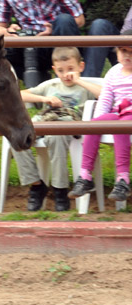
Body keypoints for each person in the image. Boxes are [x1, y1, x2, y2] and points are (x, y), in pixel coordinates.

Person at [13, 47, 102, 212]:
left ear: (80, 67)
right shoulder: (50, 84)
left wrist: (79, 80)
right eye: (60, 71)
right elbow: (19, 94)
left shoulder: (85, 88)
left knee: (56, 136)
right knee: (16, 135)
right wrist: (44, 98)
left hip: (68, 123)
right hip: (45, 119)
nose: (65, 74)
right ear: (54, 70)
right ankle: (36, 186)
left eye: (70, 69)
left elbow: (105, 95)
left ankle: (60, 190)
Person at [69, 30, 132, 203]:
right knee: (94, 125)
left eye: (131, 51)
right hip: (118, 111)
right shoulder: (113, 72)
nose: (127, 55)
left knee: (122, 126)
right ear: (117, 52)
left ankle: (123, 179)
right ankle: (85, 175)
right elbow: (105, 98)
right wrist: (99, 121)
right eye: (123, 51)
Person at [0, 0, 116, 87]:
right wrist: (7, 31)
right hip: (30, 43)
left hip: (57, 39)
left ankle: (73, 82)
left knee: (64, 20)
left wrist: (52, 30)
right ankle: (38, 81)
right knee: (1, 50)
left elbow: (80, 20)